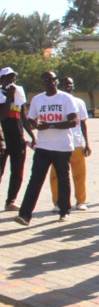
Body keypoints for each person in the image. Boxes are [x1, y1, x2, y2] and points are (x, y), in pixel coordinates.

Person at [15, 71, 78, 225]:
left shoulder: (66, 98)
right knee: (35, 180)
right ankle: (25, 215)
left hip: (62, 147)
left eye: (53, 80)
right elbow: (30, 121)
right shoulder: (37, 99)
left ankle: (64, 211)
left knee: (63, 180)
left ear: (57, 81)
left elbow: (73, 121)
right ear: (42, 82)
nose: (51, 82)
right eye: (47, 80)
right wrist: (34, 125)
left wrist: (50, 125)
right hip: (43, 147)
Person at [47, 77, 90, 211]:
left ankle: (81, 201)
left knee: (79, 174)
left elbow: (83, 123)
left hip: (76, 143)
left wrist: (87, 143)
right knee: (56, 176)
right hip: (58, 144)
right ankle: (58, 203)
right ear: (61, 85)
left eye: (71, 84)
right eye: (66, 84)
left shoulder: (79, 102)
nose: (68, 86)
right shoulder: (55, 101)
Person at [0, 67, 33, 212]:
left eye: (13, 77)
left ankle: (10, 201)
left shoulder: (19, 93)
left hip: (17, 139)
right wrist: (8, 97)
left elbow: (23, 116)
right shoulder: (1, 95)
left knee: (17, 171)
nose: (12, 80)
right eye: (8, 78)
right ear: (2, 80)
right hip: (2, 140)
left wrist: (31, 135)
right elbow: (3, 116)